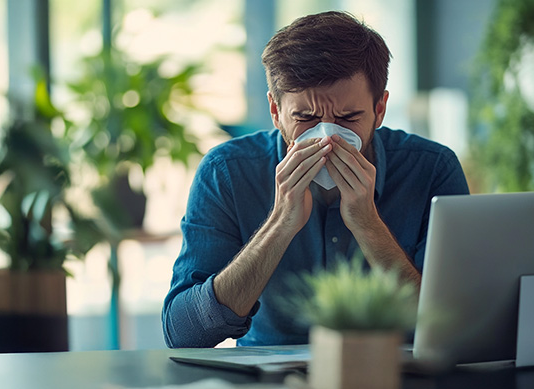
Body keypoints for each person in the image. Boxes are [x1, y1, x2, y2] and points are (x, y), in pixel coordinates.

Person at [162, 11, 469, 348]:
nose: (327, 137)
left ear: (379, 109)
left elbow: (455, 326)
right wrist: (279, 224)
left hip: (393, 379)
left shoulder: (432, 169)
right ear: (276, 112)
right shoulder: (227, 172)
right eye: (305, 118)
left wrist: (368, 226)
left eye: (348, 117)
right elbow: (183, 333)